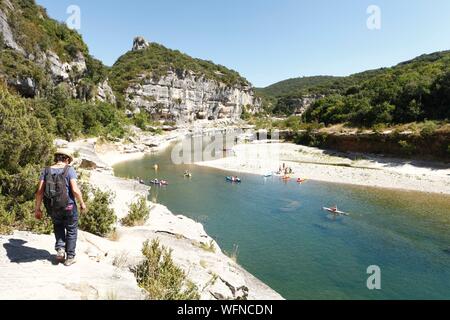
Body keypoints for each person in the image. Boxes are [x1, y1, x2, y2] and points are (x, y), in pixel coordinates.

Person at [34, 149, 87, 266]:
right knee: (72, 230)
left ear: (56, 158)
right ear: (67, 159)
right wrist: (82, 203)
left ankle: (60, 249)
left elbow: (39, 192)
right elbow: (75, 190)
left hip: (53, 207)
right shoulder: (69, 170)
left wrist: (37, 209)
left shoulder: (46, 170)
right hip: (68, 206)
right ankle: (70, 257)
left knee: (58, 226)